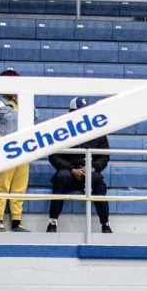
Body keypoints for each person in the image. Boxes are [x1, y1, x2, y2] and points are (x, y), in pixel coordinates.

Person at [47, 97, 113, 234]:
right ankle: (52, 222)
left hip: (90, 172)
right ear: (70, 112)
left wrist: (92, 167)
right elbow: (53, 156)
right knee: (61, 176)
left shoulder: (98, 131)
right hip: (68, 173)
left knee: (96, 179)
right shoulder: (60, 131)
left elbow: (104, 156)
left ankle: (105, 223)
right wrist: (71, 169)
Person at [0, 69, 30, 232]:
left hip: (24, 149)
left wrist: (21, 100)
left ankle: (16, 221)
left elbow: (34, 117)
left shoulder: (23, 101)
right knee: (2, 185)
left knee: (19, 187)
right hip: (5, 149)